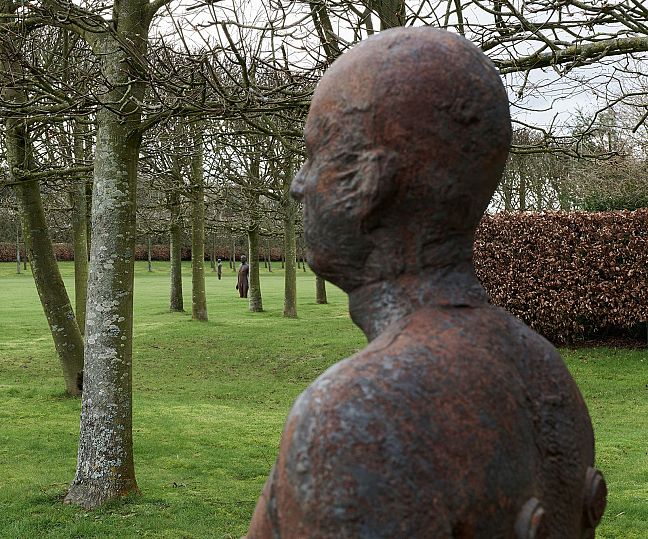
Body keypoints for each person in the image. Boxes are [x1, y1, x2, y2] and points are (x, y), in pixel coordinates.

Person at [247, 27, 605, 538]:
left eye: (313, 155)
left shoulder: (360, 416)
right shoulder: (544, 369)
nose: (298, 183)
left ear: (370, 185)